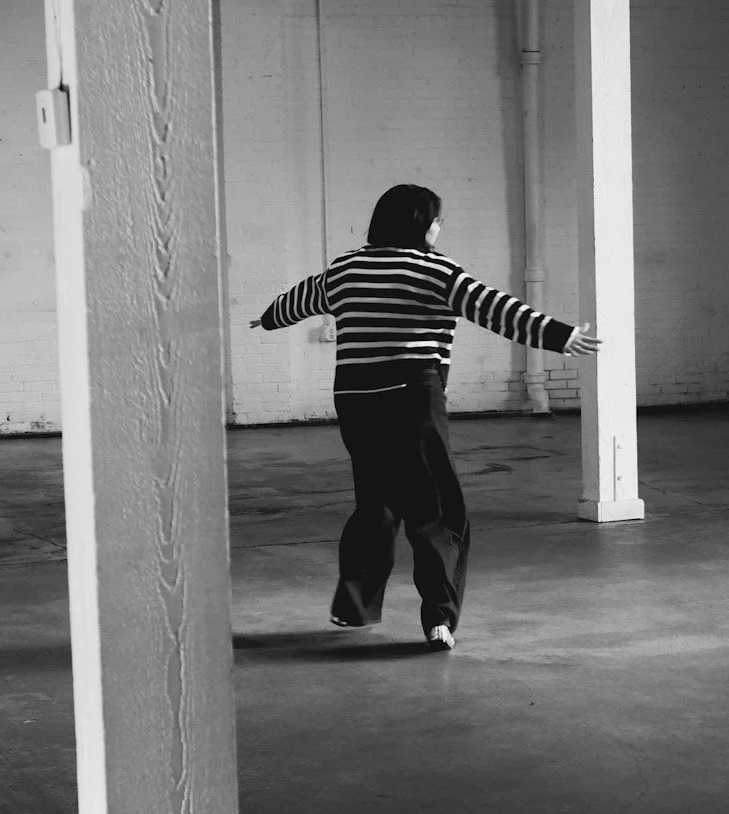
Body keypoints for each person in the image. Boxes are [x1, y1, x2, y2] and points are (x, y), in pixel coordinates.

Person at [251, 183, 600, 650]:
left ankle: (353, 608)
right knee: (436, 511)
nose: (441, 227)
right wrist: (560, 336)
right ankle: (439, 618)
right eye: (437, 219)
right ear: (418, 224)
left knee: (376, 504)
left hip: (356, 402)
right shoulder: (434, 270)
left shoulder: (346, 268)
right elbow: (495, 308)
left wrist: (268, 317)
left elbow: (301, 299)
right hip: (411, 399)